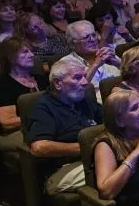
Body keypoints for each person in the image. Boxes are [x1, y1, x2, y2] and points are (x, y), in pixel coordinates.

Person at [26, 59, 102, 195]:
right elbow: (39, 147)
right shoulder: (44, 107)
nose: (85, 82)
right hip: (62, 170)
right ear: (57, 83)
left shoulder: (82, 100)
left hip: (91, 159)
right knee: (113, 167)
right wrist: (86, 148)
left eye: (84, 76)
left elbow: (110, 119)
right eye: (78, 78)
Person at [0, 38, 48, 155]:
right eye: (25, 52)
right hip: (17, 132)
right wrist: (41, 117)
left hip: (44, 124)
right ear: (10, 57)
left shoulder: (41, 79)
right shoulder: (4, 86)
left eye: (31, 51)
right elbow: (7, 123)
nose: (31, 55)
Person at [54, 20, 120, 100]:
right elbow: (74, 90)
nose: (92, 40)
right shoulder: (66, 63)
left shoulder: (106, 53)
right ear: (72, 44)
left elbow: (133, 77)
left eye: (93, 35)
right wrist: (95, 65)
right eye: (86, 38)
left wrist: (118, 63)